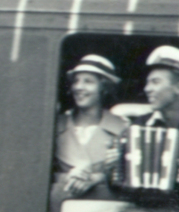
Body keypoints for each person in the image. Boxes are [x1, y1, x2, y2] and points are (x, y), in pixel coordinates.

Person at [116, 45, 179, 200]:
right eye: (147, 83)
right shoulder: (138, 126)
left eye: (155, 82)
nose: (147, 89)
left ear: (178, 87)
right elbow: (120, 187)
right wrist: (113, 168)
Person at [51, 54, 129, 203]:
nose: (79, 87)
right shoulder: (55, 125)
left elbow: (128, 179)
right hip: (58, 211)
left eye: (88, 81)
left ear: (104, 87)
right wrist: (68, 177)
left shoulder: (122, 128)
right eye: (76, 81)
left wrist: (98, 178)